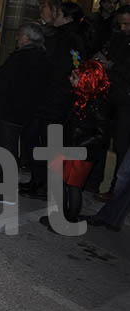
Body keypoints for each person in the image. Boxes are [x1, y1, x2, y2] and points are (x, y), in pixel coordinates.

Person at [22, 0, 88, 198]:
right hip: (52, 97)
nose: (55, 18)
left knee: (46, 143)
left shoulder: (69, 39)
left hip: (54, 99)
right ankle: (37, 181)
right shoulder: (66, 37)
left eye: (58, 14)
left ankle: (42, 185)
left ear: (66, 18)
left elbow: (60, 68)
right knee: (38, 140)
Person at [0, 22, 52, 204]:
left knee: (7, 149)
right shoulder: (43, 57)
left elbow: (3, 79)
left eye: (19, 35)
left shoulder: (21, 57)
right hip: (28, 111)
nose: (16, 38)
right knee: (12, 149)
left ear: (27, 38)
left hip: (11, 109)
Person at [39, 60, 110, 230]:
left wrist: (78, 147)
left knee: (72, 186)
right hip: (71, 148)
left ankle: (67, 220)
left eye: (75, 77)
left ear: (87, 80)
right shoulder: (79, 97)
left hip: (81, 152)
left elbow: (101, 135)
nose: (70, 79)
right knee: (65, 185)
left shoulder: (98, 104)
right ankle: (64, 216)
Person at [92, 5, 130, 199]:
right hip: (110, 95)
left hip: (125, 101)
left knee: (122, 147)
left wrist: (113, 66)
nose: (124, 27)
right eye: (121, 23)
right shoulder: (118, 37)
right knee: (101, 139)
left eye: (127, 24)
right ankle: (94, 181)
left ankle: (117, 191)